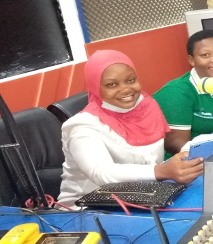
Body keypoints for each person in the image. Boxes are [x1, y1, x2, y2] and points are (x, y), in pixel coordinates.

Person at [57, 50, 203, 206]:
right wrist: (161, 171)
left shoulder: (146, 107)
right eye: (112, 84)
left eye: (130, 80)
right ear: (95, 87)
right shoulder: (82, 127)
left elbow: (151, 158)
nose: (126, 89)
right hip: (86, 208)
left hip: (145, 196)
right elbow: (101, 172)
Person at [154, 30, 213, 155]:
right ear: (191, 60)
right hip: (191, 161)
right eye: (205, 55)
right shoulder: (176, 92)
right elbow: (176, 145)